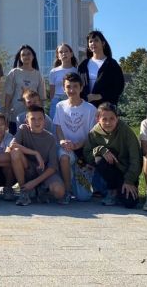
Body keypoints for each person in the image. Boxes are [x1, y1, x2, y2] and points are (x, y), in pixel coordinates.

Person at [84, 102, 141, 208]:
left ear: (117, 118)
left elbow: (136, 158)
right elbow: (87, 155)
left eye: (112, 119)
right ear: (98, 119)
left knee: (130, 203)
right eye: (104, 119)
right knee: (99, 159)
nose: (108, 123)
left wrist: (129, 180)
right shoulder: (93, 133)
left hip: (125, 172)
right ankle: (112, 192)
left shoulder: (126, 131)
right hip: (109, 171)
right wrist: (100, 150)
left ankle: (121, 190)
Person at [53, 73, 97, 204]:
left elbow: (92, 134)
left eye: (75, 86)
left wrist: (78, 145)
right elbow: (58, 127)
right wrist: (62, 141)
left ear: (81, 88)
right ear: (64, 88)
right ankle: (66, 191)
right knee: (65, 157)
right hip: (66, 149)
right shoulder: (60, 106)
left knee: (84, 197)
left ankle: (75, 176)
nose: (71, 90)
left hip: (83, 151)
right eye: (68, 87)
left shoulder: (90, 108)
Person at [8, 105, 65, 206]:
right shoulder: (23, 129)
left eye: (40, 119)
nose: (37, 122)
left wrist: (34, 182)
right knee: (15, 152)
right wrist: (35, 153)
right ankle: (24, 192)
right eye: (33, 119)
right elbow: (12, 145)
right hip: (28, 169)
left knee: (59, 192)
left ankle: (41, 190)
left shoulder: (50, 138)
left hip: (44, 172)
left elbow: (52, 167)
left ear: (44, 120)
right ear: (26, 121)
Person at [4, 45, 46, 135]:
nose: (26, 56)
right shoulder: (14, 73)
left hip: (34, 118)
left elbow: (42, 97)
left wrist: (42, 114)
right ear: (20, 57)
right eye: (23, 55)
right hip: (15, 114)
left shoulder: (38, 75)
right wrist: (6, 111)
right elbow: (8, 94)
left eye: (28, 54)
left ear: (33, 56)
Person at [77, 30, 125, 106]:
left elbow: (119, 86)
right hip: (86, 106)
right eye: (90, 41)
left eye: (96, 40)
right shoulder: (83, 65)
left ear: (103, 43)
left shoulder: (112, 64)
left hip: (106, 107)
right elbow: (78, 85)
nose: (93, 43)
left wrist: (99, 96)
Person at [48, 43, 79, 108]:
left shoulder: (77, 71)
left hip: (72, 99)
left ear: (71, 54)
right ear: (58, 56)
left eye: (66, 51)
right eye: (61, 52)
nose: (63, 54)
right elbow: (52, 91)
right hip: (57, 101)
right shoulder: (53, 71)